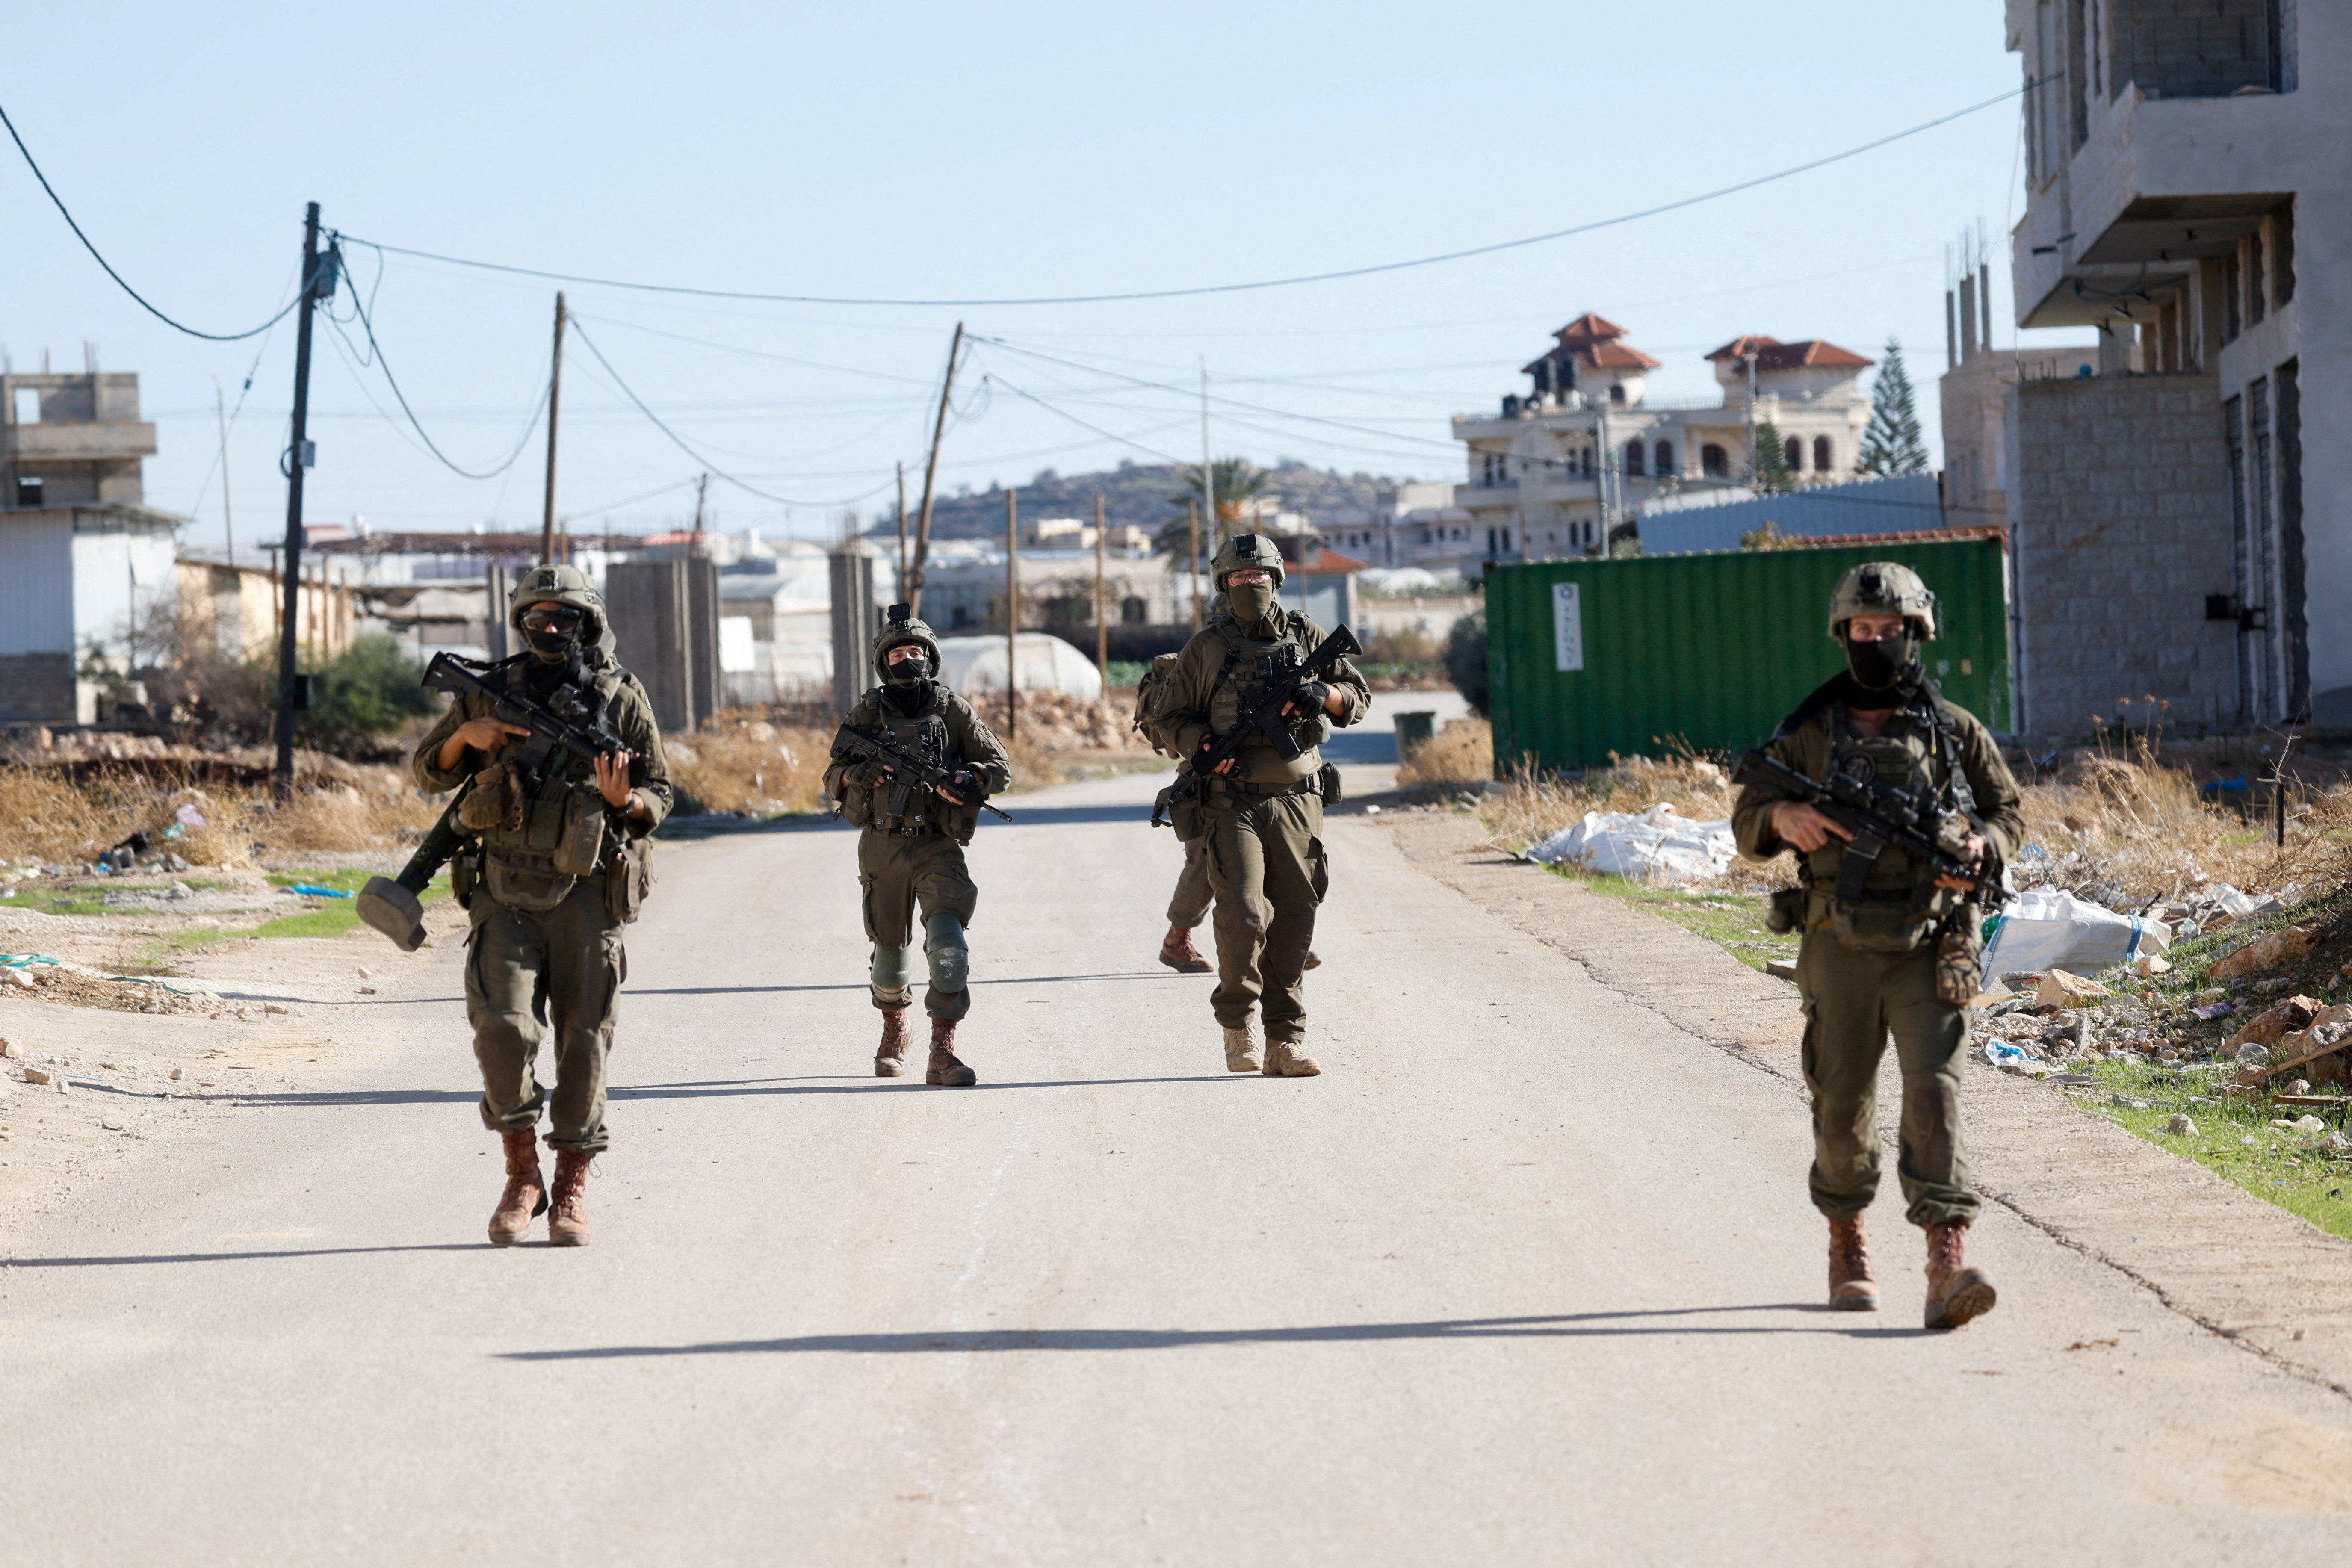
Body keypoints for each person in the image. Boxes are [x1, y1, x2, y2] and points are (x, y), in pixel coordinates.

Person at [1731, 562, 2022, 1329]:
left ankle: (1946, 1261)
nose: (1877, 642)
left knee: (1937, 1098)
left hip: (1930, 941)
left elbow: (2008, 812)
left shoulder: (1954, 730)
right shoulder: (1809, 731)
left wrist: (1984, 845)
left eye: (1891, 631)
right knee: (1841, 1103)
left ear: (1915, 634)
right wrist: (1782, 819)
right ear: (1844, 634)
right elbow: (1747, 818)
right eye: (1864, 630)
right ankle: (1847, 1242)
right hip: (1837, 941)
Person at [411, 564, 671, 1247]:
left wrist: (626, 802)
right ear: (521, 622)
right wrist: (469, 740)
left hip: (587, 891)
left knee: (584, 1040)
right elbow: (426, 767)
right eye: (538, 619)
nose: (551, 630)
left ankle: (573, 1184)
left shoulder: (620, 695)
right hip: (502, 888)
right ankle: (523, 1173)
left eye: (566, 619)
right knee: (500, 1030)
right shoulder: (490, 692)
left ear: (590, 624)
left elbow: (663, 792)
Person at [1150, 534, 1367, 1076]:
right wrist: (1202, 745)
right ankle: (1237, 1025)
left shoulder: (1308, 635)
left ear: (1278, 578)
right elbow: (1169, 717)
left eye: (1261, 575)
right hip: (1232, 801)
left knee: (1295, 916)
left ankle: (1285, 1040)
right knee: (1245, 914)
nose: (1252, 585)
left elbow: (1357, 699)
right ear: (1225, 584)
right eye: (1240, 578)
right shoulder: (1208, 646)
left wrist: (1327, 696)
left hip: (1298, 800)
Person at [823, 605, 1011, 1087]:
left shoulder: (952, 709)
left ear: (930, 657)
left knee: (949, 946)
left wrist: (970, 779)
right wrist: (854, 775)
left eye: (916, 652)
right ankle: (894, 1028)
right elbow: (831, 776)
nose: (907, 661)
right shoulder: (868, 712)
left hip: (937, 845)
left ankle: (942, 1050)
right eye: (897, 654)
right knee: (889, 963)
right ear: (883, 662)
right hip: (883, 846)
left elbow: (999, 766)